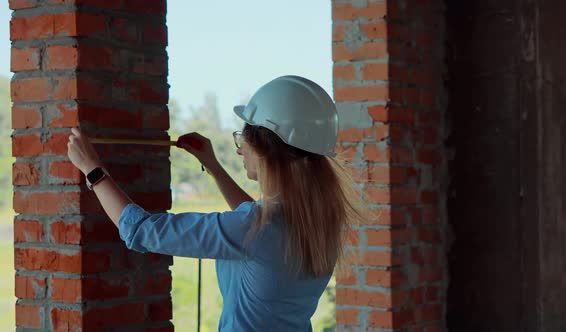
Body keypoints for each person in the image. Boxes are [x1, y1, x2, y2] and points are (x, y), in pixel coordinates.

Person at [67, 75, 364, 331]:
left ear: (265, 149)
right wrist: (213, 166)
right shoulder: (318, 219)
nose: (239, 151)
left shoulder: (256, 228)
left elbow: (141, 230)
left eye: (241, 140)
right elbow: (257, 225)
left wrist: (92, 169)